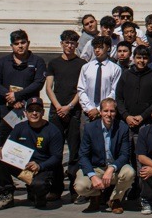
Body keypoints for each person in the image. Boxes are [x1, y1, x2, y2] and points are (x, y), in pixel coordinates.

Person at [0, 97, 63, 209]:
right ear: (26, 113)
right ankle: (6, 194)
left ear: (43, 112)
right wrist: (1, 149)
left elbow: (57, 157)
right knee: (0, 159)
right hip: (24, 166)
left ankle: (39, 195)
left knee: (39, 185)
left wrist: (40, 166)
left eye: (38, 110)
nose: (34, 113)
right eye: (31, 110)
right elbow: (8, 148)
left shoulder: (53, 130)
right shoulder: (19, 128)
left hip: (42, 168)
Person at [45, 30, 86, 201]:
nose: (69, 46)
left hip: (74, 112)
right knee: (55, 151)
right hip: (56, 112)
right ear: (61, 43)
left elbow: (81, 88)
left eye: (73, 43)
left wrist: (69, 107)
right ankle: (56, 187)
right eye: (66, 42)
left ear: (77, 45)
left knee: (74, 152)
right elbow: (48, 87)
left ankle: (74, 188)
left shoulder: (82, 64)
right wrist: (58, 106)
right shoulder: (53, 63)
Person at [74, 98, 134, 213]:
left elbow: (125, 155)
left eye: (112, 111)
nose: (109, 114)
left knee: (129, 173)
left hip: (115, 169)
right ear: (100, 112)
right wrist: (92, 176)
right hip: (96, 168)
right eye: (105, 111)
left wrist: (112, 168)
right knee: (80, 186)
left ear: (116, 113)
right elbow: (83, 156)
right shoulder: (90, 128)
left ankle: (114, 200)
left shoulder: (122, 128)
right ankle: (95, 197)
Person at [116, 45, 152, 136]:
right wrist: (126, 116)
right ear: (133, 58)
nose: (141, 61)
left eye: (145, 58)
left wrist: (142, 116)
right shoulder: (125, 75)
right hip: (125, 122)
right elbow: (118, 98)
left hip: (146, 123)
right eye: (138, 58)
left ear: (149, 59)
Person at [78, 36, 123, 122]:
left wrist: (99, 109)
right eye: (95, 48)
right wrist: (89, 108)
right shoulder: (86, 67)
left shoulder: (115, 69)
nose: (97, 50)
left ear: (108, 48)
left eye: (100, 47)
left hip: (107, 112)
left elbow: (114, 91)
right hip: (88, 112)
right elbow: (81, 89)